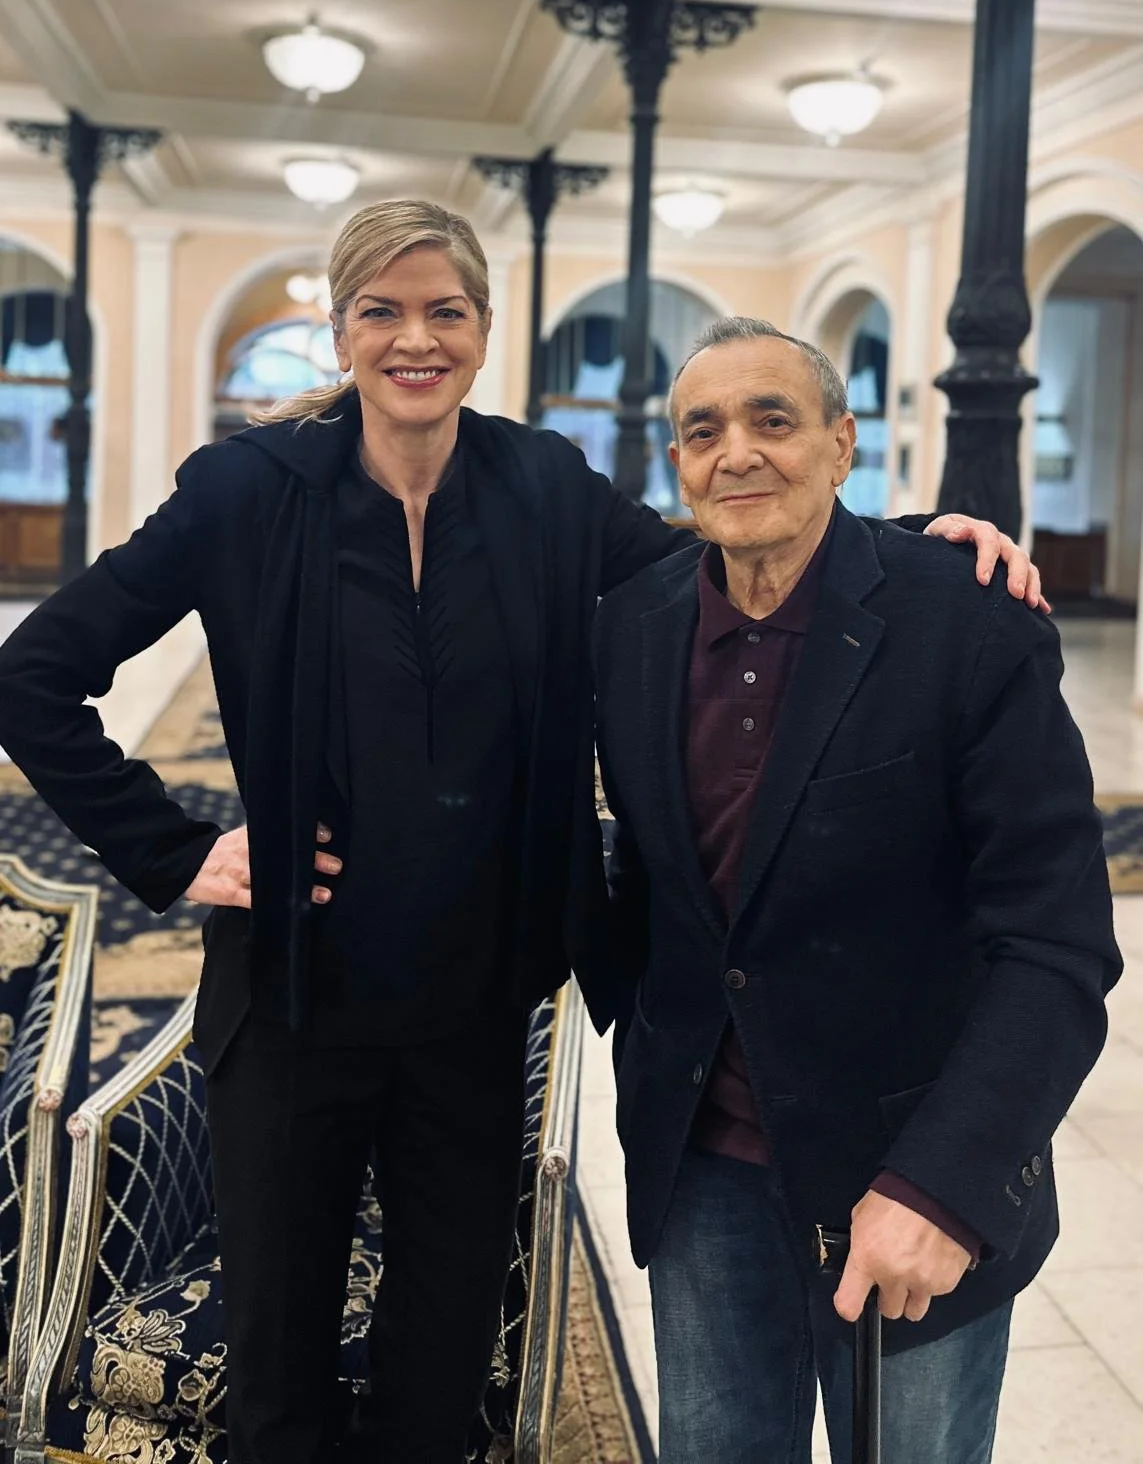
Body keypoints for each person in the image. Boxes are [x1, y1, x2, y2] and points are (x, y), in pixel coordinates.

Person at [0, 210, 1041, 1464]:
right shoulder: (246, 492)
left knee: (439, 1372)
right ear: (341, 331)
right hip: (290, 1008)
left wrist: (919, 542)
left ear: (484, 331)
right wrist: (171, 848)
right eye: (380, 310)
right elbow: (33, 675)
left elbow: (727, 537)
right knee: (279, 1378)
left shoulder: (543, 485)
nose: (414, 337)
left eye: (445, 309)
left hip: (477, 1016)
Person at [589, 314, 1122, 1464]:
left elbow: (1060, 943)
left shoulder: (967, 619)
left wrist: (945, 1184)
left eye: (773, 419)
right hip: (704, 1165)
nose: (737, 451)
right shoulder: (630, 627)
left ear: (842, 446)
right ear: (675, 464)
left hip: (903, 1164)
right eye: (703, 429)